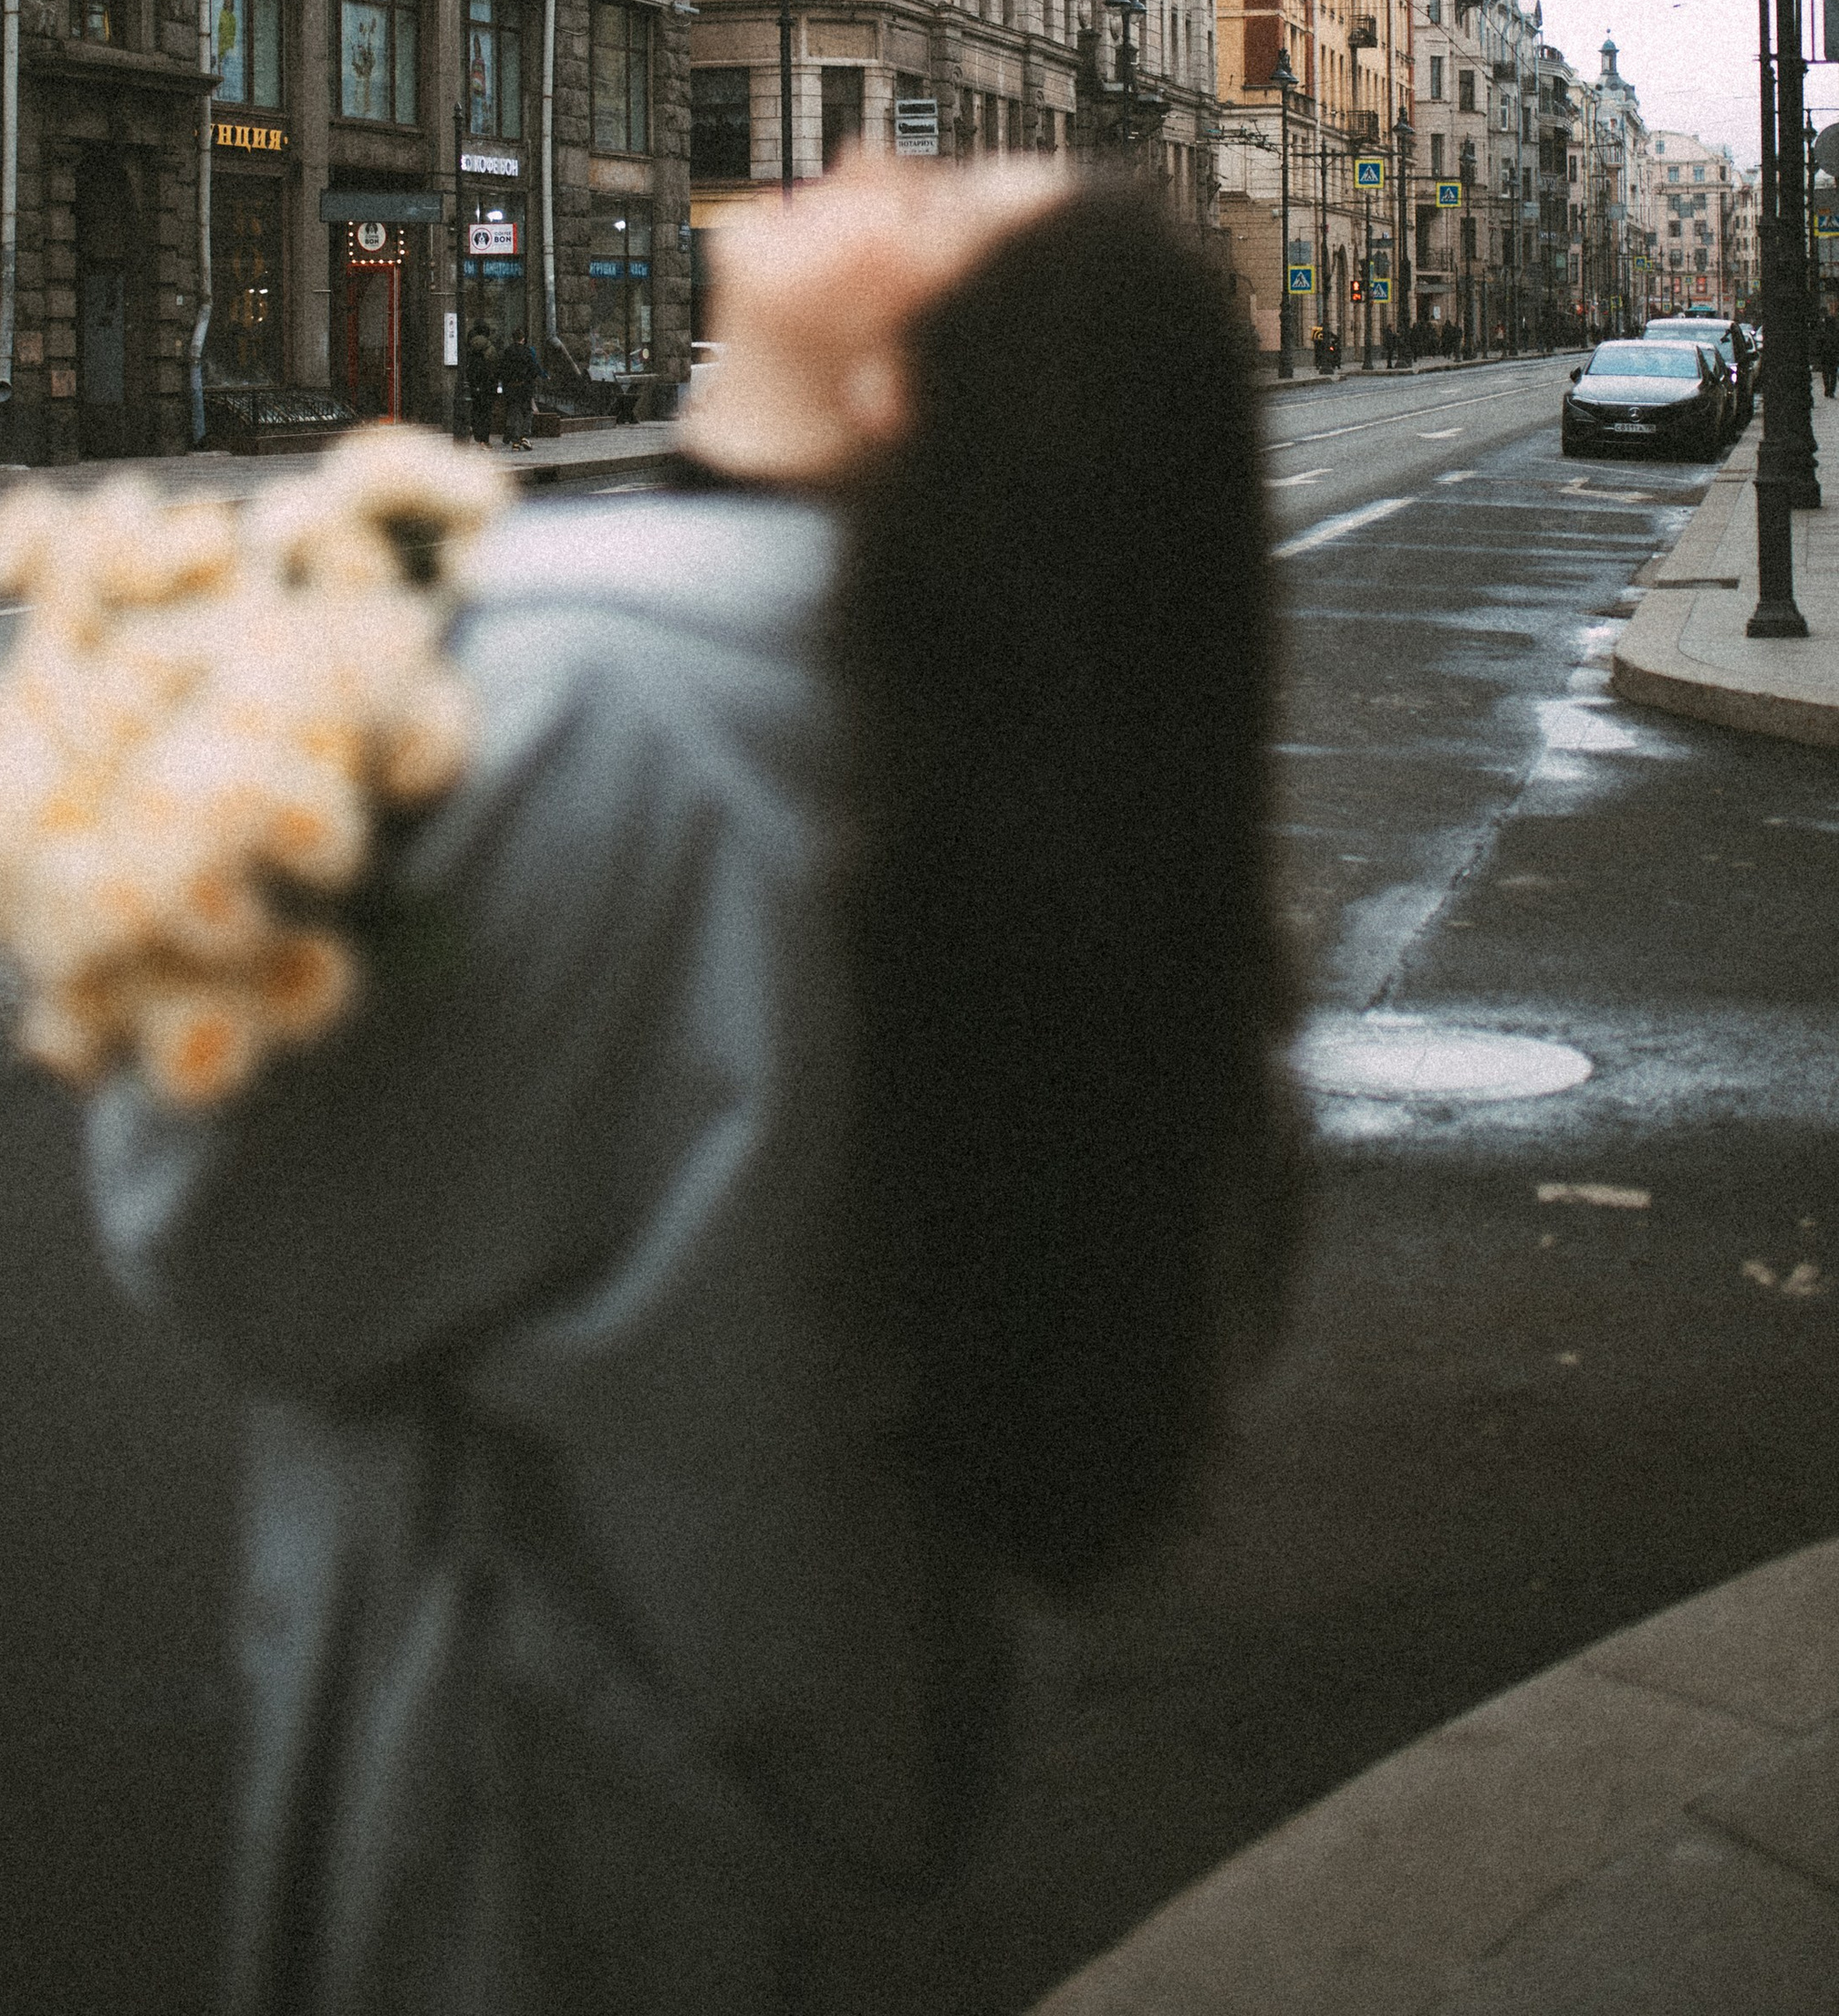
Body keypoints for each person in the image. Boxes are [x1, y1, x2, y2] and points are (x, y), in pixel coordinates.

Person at [73, 161, 1299, 2016]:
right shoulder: (926, 714)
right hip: (814, 1710)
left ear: (890, 388)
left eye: (930, 203)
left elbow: (234, 1239)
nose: (866, 163)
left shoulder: (578, 703)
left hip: (538, 1799)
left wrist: (171, 912)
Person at [495, 327, 540, 451]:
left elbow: (501, 370)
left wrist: (506, 383)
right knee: (527, 412)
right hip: (525, 387)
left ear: (513, 338)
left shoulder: (507, 351)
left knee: (514, 412)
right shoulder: (527, 351)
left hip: (511, 387)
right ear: (523, 339)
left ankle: (515, 442)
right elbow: (533, 370)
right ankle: (525, 436)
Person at [461, 318, 499, 447]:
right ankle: (484, 440)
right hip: (487, 384)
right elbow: (494, 368)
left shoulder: (469, 345)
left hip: (473, 383)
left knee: (476, 409)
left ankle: (476, 434)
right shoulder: (490, 348)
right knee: (486, 412)